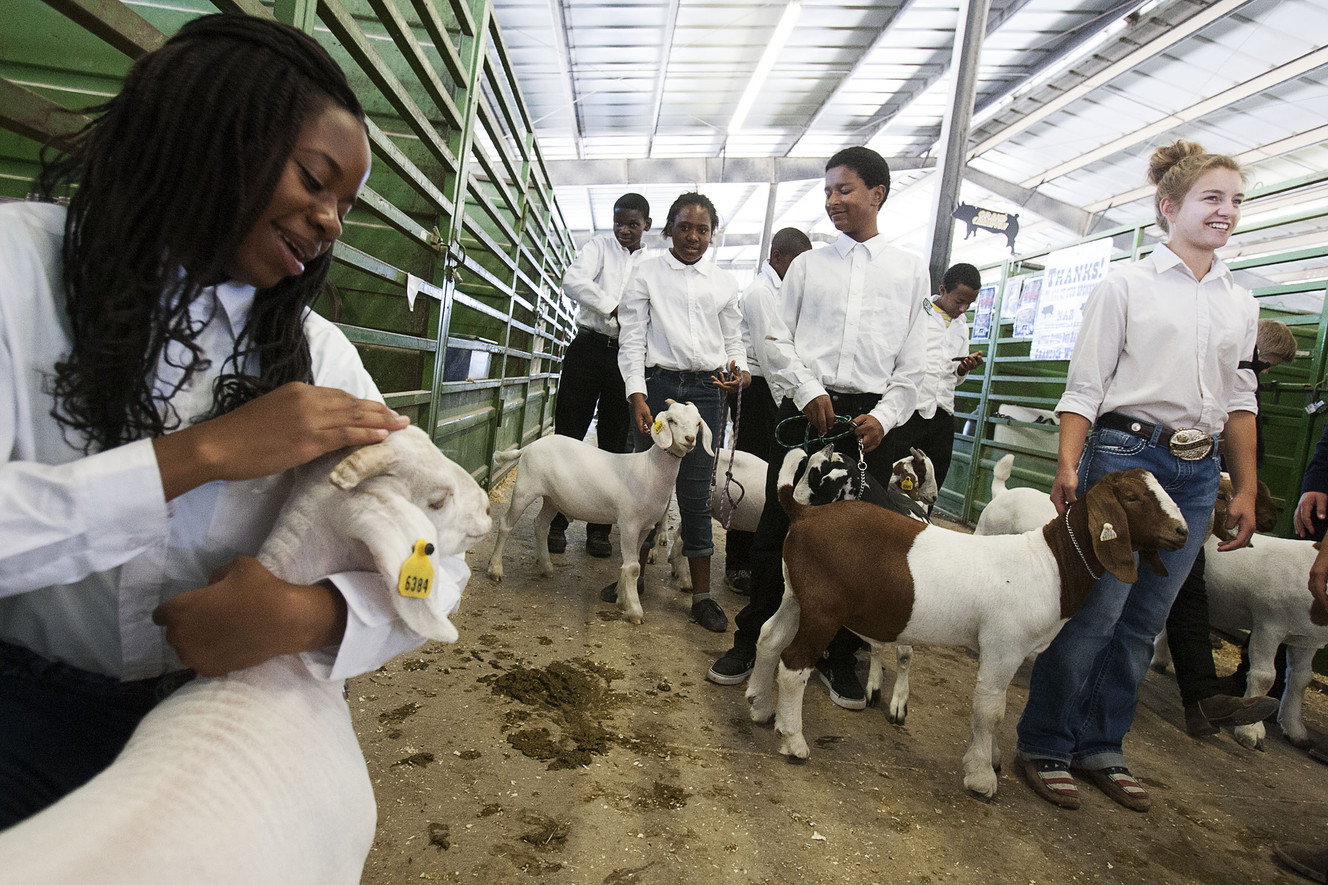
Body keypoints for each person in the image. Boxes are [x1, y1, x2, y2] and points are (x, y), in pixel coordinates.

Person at [0, 14, 465, 828]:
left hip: (211, 723)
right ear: (213, 130)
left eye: (345, 205)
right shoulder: (21, 268)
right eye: (315, 180)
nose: (330, 222)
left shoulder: (323, 363)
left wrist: (307, 615)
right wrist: (206, 451)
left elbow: (435, 561)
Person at [1015, 139, 1261, 814]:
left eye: (1236, 200)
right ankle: (1043, 741)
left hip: (1196, 468)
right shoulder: (1125, 285)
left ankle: (1100, 746)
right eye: (1212, 198)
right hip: (1126, 458)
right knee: (1096, 613)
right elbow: (1084, 386)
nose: (1227, 211)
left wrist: (1242, 485)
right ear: (1170, 206)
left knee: (1143, 622)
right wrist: (1070, 463)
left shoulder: (1241, 301)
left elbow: (1242, 404)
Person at [706, 146, 930, 709]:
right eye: (827, 190)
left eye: (844, 190)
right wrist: (808, 391)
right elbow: (775, 342)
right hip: (808, 414)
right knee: (778, 531)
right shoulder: (807, 267)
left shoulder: (908, 271)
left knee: (861, 547)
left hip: (869, 424)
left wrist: (885, 415)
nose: (831, 200)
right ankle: (753, 639)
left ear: (878, 194)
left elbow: (915, 360)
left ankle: (837, 658)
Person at [615, 192, 749, 633]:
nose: (693, 237)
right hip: (659, 386)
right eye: (685, 227)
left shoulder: (724, 282)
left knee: (694, 493)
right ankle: (629, 582)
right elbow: (632, 337)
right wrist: (638, 394)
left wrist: (740, 372)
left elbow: (734, 342)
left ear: (713, 234)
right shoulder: (646, 272)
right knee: (644, 490)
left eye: (703, 229)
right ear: (668, 228)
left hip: (709, 393)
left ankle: (703, 597)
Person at [1163, 320, 1294, 738]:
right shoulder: (1204, 369)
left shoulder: (1243, 388)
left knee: (1188, 590)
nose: (1265, 373)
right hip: (1169, 485)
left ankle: (1202, 698)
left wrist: (1238, 489)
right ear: (1253, 349)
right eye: (1266, 363)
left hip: (1197, 497)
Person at [549, 193, 652, 558]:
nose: (624, 230)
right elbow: (572, 280)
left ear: (647, 226)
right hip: (587, 349)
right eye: (618, 222)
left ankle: (599, 530)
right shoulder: (598, 246)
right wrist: (613, 307)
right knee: (569, 435)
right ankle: (556, 522)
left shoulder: (652, 264)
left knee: (613, 444)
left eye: (632, 224)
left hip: (624, 357)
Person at [722, 227, 813, 594]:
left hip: (777, 390)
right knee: (750, 472)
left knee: (774, 477)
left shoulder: (786, 291)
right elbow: (769, 354)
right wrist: (784, 407)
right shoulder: (762, 293)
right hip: (760, 389)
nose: (801, 271)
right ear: (777, 257)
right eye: (797, 262)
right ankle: (738, 561)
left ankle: (767, 559)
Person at [887, 262, 984, 496]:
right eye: (959, 301)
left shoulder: (962, 327)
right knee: (896, 478)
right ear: (942, 290)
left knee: (931, 481)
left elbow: (954, 377)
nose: (963, 309)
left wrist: (962, 369)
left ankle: (922, 526)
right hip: (911, 412)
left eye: (969, 304)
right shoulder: (919, 314)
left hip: (942, 414)